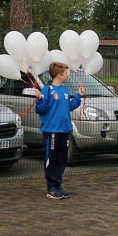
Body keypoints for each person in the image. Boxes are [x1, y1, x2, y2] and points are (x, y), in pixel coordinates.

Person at [34, 61, 84, 199]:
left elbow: (69, 106)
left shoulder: (64, 90)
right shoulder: (47, 90)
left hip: (64, 130)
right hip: (52, 131)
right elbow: (40, 109)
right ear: (59, 75)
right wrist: (39, 99)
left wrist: (78, 96)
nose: (68, 76)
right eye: (66, 73)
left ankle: (58, 184)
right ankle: (51, 186)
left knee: (62, 159)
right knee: (52, 158)